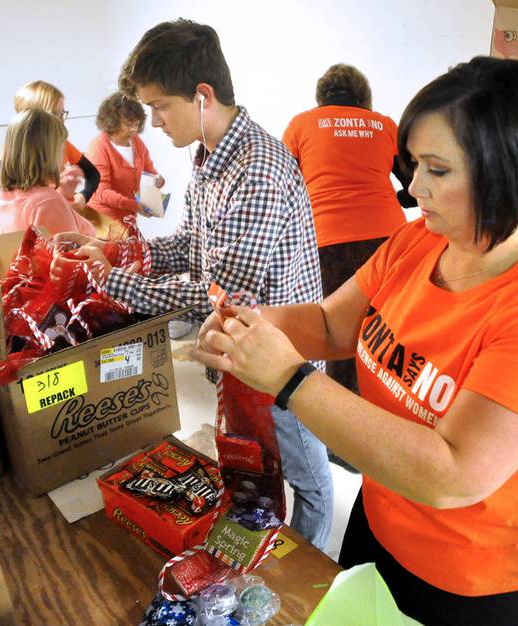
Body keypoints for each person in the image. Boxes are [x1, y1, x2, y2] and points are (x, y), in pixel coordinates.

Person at [192, 56, 518, 626]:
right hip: (382, 515)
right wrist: (253, 325)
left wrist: (288, 377)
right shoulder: (417, 240)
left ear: (505, 175)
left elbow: (452, 474)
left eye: (437, 170)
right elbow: (334, 325)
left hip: (474, 577)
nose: (413, 186)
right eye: (414, 164)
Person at [53, 19, 334, 550]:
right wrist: (120, 251)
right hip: (242, 353)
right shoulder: (208, 157)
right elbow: (190, 243)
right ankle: (267, 549)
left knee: (311, 481)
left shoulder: (258, 169)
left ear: (202, 95)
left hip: (284, 356)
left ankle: (307, 572)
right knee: (256, 470)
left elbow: (220, 289)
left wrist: (118, 283)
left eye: (160, 107)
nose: (153, 121)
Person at [283, 64, 412, 400]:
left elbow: (284, 187)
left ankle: (342, 426)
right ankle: (386, 406)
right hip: (390, 241)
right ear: (363, 95)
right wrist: (388, 197)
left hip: (327, 240)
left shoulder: (302, 124)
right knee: (387, 328)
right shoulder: (384, 125)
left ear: (321, 96)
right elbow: (414, 186)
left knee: (335, 330)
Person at [0, 80, 100, 215]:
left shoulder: (63, 144)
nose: (61, 121)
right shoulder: (10, 161)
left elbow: (93, 173)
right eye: (55, 114)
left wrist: (83, 197)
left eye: (62, 113)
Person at [0, 108, 96, 237]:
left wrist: (64, 196)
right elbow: (71, 250)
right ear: (48, 154)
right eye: (61, 146)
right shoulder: (48, 201)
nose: (63, 151)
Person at [86, 92, 165, 224]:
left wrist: (157, 179)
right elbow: (102, 192)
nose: (134, 130)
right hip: (103, 221)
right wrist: (133, 205)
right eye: (129, 124)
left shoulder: (136, 142)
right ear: (113, 123)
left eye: (137, 124)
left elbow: (149, 171)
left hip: (128, 219)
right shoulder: (98, 147)